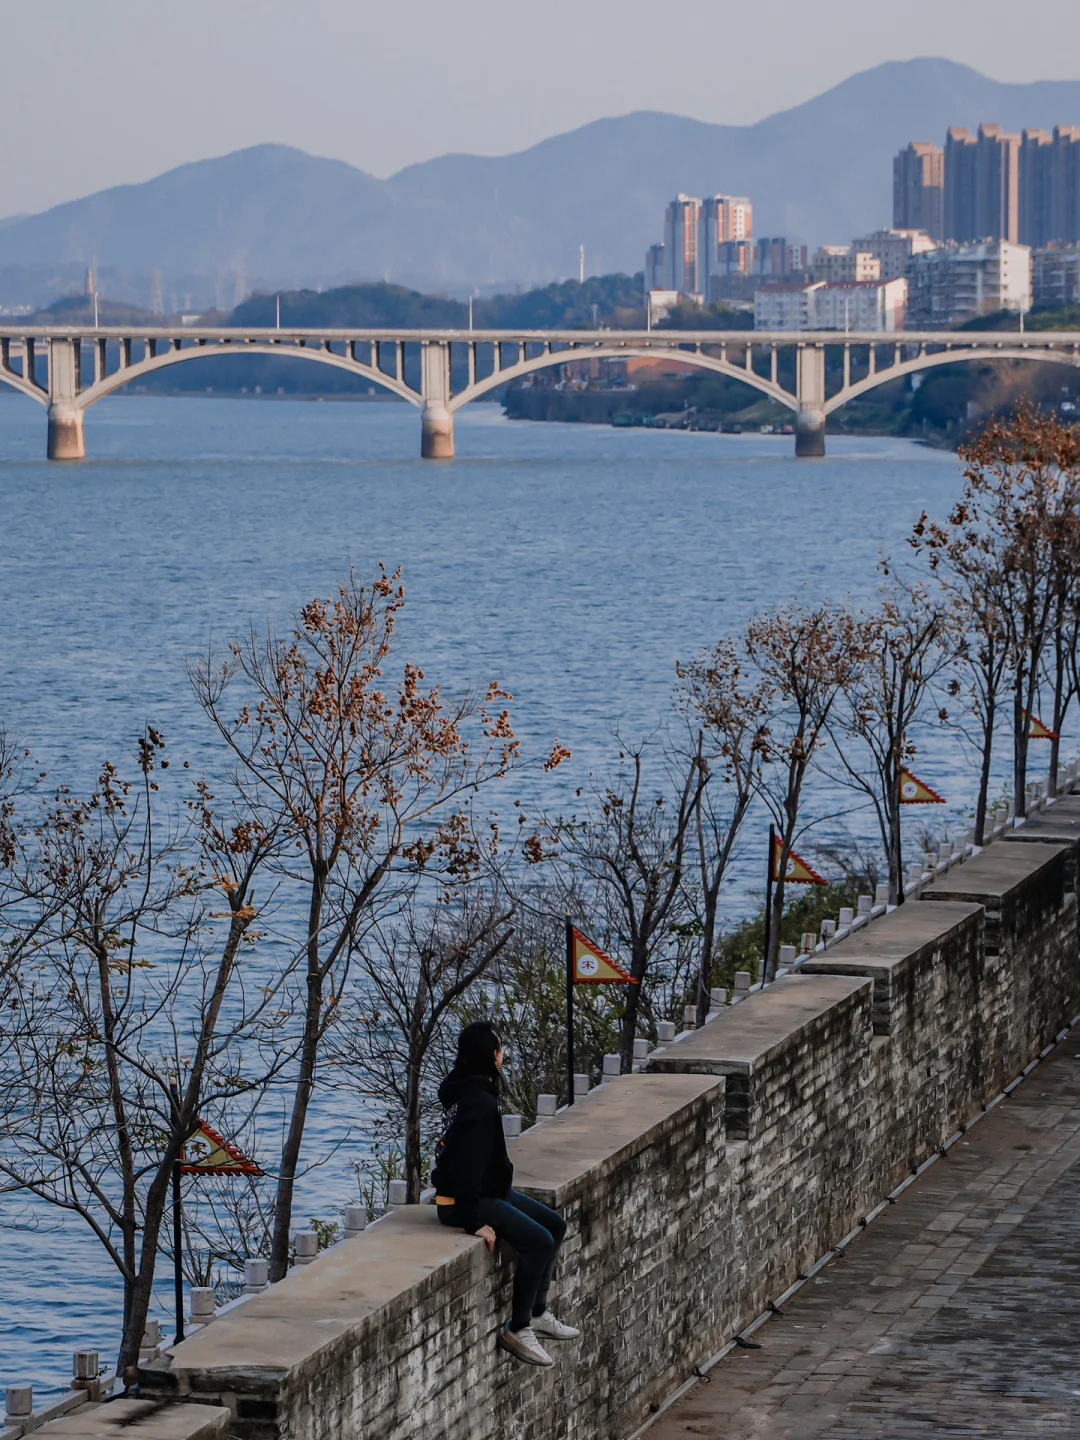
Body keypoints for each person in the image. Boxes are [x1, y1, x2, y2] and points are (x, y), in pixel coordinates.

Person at [431, 1020, 580, 1366]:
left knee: (554, 1226)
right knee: (539, 1242)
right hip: (465, 1201)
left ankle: (538, 1312)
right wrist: (474, 1223)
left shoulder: (469, 1088)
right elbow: (466, 1170)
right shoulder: (478, 1103)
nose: (503, 1055)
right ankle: (519, 1328)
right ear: (491, 1056)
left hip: (487, 1191)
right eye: (499, 1048)